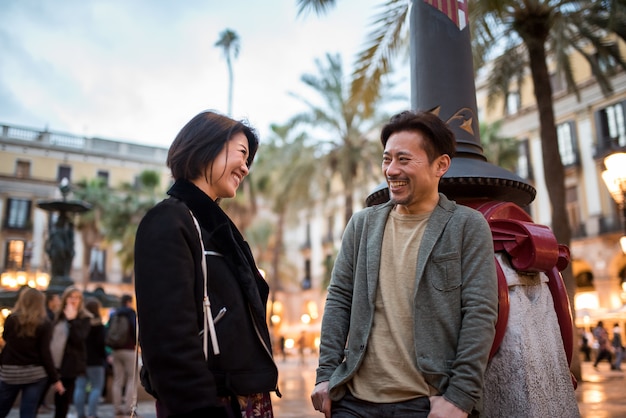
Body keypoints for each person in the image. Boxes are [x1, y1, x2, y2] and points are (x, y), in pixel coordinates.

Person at [310, 111, 499, 418]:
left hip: (427, 404)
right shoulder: (362, 224)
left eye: (404, 159)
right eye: (387, 159)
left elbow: (480, 312)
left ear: (441, 165)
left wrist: (459, 398)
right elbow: (339, 299)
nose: (391, 170)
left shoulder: (467, 225)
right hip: (353, 402)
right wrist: (325, 375)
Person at [134, 110, 279, 418]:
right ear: (206, 146)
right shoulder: (169, 220)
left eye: (249, 159)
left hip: (242, 399)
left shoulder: (213, 226)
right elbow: (168, 340)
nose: (246, 167)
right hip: (209, 403)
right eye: (242, 153)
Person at [0, 288, 65, 418]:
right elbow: (45, 353)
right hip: (35, 373)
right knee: (28, 412)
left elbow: (5, 339)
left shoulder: (11, 319)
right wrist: (55, 379)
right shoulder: (45, 323)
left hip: (10, 371)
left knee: (2, 407)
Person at [51, 286, 91, 418]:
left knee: (63, 399)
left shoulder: (84, 318)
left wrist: (72, 320)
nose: (74, 300)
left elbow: (79, 339)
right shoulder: (57, 316)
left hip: (69, 365)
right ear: (65, 298)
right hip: (52, 361)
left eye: (77, 297)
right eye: (71, 297)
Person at [74, 297, 107, 418]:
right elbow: (101, 344)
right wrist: (104, 357)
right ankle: (92, 414)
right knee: (96, 387)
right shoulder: (99, 325)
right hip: (96, 361)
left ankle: (80, 414)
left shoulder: (80, 323)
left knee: (80, 387)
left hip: (81, 360)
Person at [108, 294, 137, 416]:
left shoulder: (115, 313)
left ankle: (116, 408)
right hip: (129, 349)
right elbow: (135, 329)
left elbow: (108, 330)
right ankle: (128, 408)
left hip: (116, 350)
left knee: (117, 380)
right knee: (131, 379)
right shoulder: (130, 313)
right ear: (129, 302)